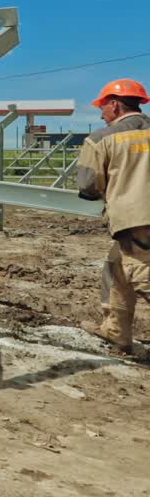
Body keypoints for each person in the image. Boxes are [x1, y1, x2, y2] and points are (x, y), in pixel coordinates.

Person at [76, 79, 150, 353]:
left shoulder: (102, 139)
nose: (101, 114)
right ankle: (116, 332)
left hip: (137, 221)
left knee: (142, 275)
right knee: (114, 268)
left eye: (103, 107)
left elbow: (87, 185)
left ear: (115, 105)